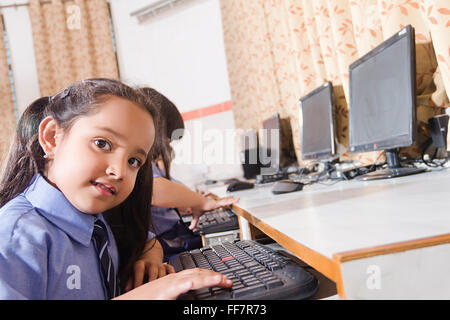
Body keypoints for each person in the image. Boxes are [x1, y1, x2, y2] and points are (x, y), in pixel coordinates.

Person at [0, 78, 231, 299]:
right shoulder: (16, 235)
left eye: (134, 161)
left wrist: (149, 255)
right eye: (102, 143)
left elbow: (147, 241)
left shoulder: (98, 222)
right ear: (51, 137)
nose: (119, 172)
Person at [139, 87, 239, 262]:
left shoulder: (152, 164)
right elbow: (154, 189)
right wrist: (200, 201)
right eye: (167, 139)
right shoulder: (139, 162)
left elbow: (168, 186)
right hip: (166, 243)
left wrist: (185, 200)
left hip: (172, 235)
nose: (168, 145)